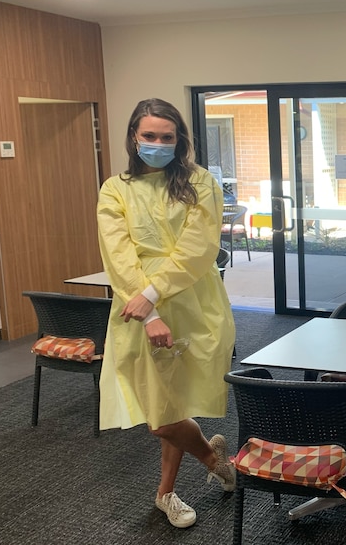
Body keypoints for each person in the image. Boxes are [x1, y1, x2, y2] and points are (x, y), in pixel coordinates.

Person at [97, 98, 237, 529]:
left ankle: (165, 495)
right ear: (134, 137)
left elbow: (198, 248)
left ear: (180, 141)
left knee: (172, 402)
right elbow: (118, 256)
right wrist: (148, 310)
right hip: (137, 308)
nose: (158, 144)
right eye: (150, 136)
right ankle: (215, 460)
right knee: (160, 416)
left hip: (195, 303)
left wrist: (154, 295)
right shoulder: (115, 188)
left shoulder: (200, 182)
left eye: (167, 137)